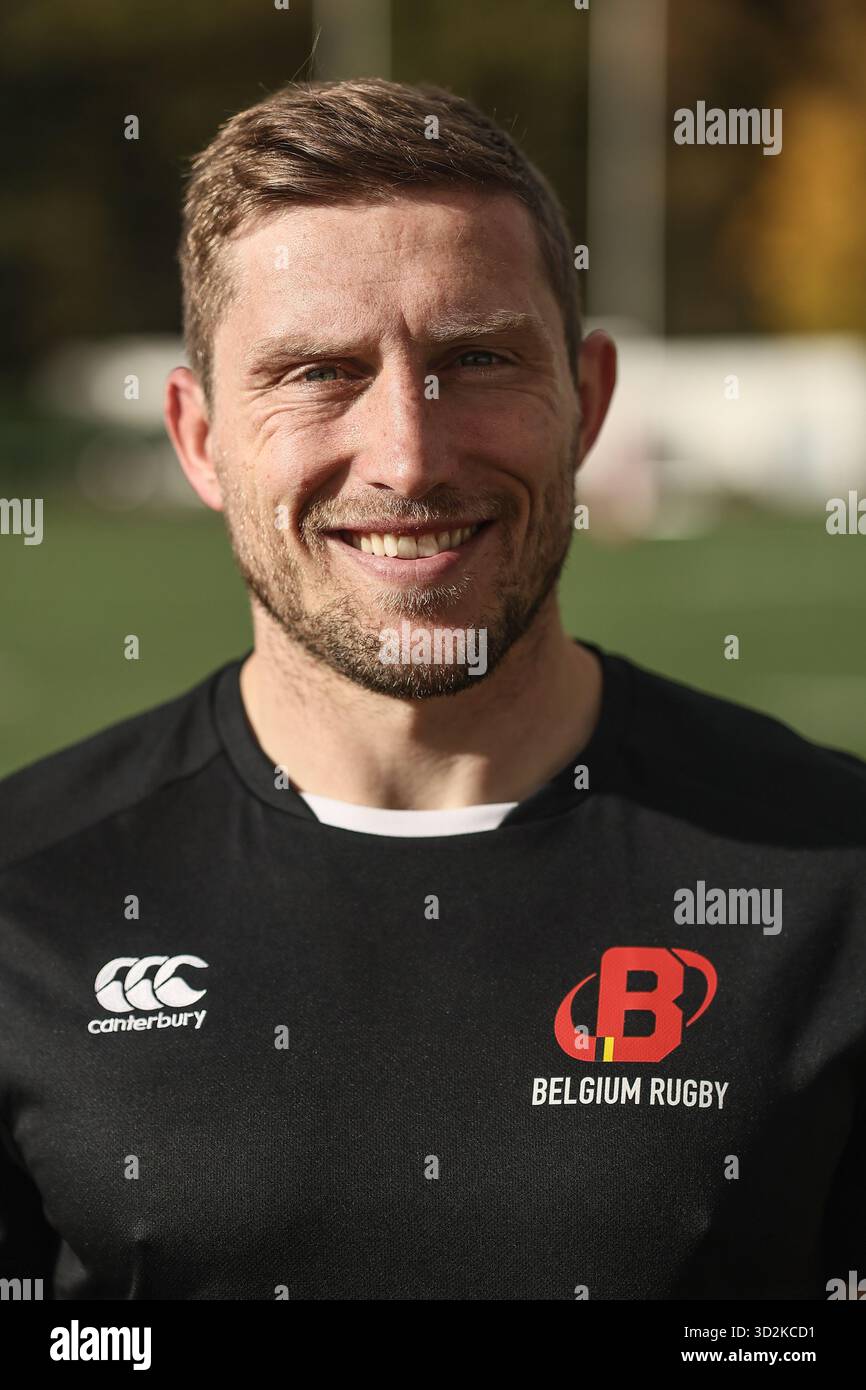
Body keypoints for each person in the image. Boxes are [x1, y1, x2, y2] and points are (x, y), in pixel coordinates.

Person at [1, 78, 864, 1302]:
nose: (408, 453)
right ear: (198, 439)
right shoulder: (27, 891)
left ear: (590, 403)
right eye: (317, 372)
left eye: (476, 357)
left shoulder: (834, 885)